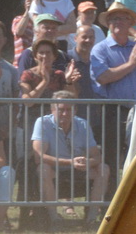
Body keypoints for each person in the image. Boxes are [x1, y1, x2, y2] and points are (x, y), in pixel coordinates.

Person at [33, 90, 111, 222]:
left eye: (69, 110)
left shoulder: (83, 124)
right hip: (54, 170)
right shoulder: (42, 123)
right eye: (61, 109)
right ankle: (53, 218)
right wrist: (70, 162)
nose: (65, 113)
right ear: (52, 110)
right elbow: (38, 157)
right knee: (43, 169)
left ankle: (91, 217)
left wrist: (87, 162)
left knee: (103, 168)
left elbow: (97, 157)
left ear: (75, 111)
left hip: (78, 170)